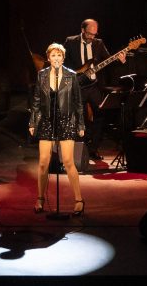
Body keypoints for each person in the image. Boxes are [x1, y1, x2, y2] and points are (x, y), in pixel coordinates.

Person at [30, 43, 85, 215]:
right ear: (48, 58)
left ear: (63, 58)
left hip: (67, 120)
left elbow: (78, 103)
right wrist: (32, 122)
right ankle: (40, 198)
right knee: (43, 162)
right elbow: (37, 101)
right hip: (47, 121)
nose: (56, 58)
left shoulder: (71, 76)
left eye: (59, 55)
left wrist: (81, 124)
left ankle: (79, 200)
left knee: (68, 162)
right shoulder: (42, 75)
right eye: (53, 55)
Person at [63, 18, 125, 161]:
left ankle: (93, 149)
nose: (92, 37)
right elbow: (63, 63)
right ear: (82, 30)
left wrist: (120, 59)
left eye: (94, 34)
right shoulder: (70, 41)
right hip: (77, 86)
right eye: (89, 34)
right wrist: (75, 75)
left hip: (93, 86)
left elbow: (109, 60)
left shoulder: (99, 43)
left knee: (101, 114)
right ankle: (81, 151)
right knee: (80, 118)